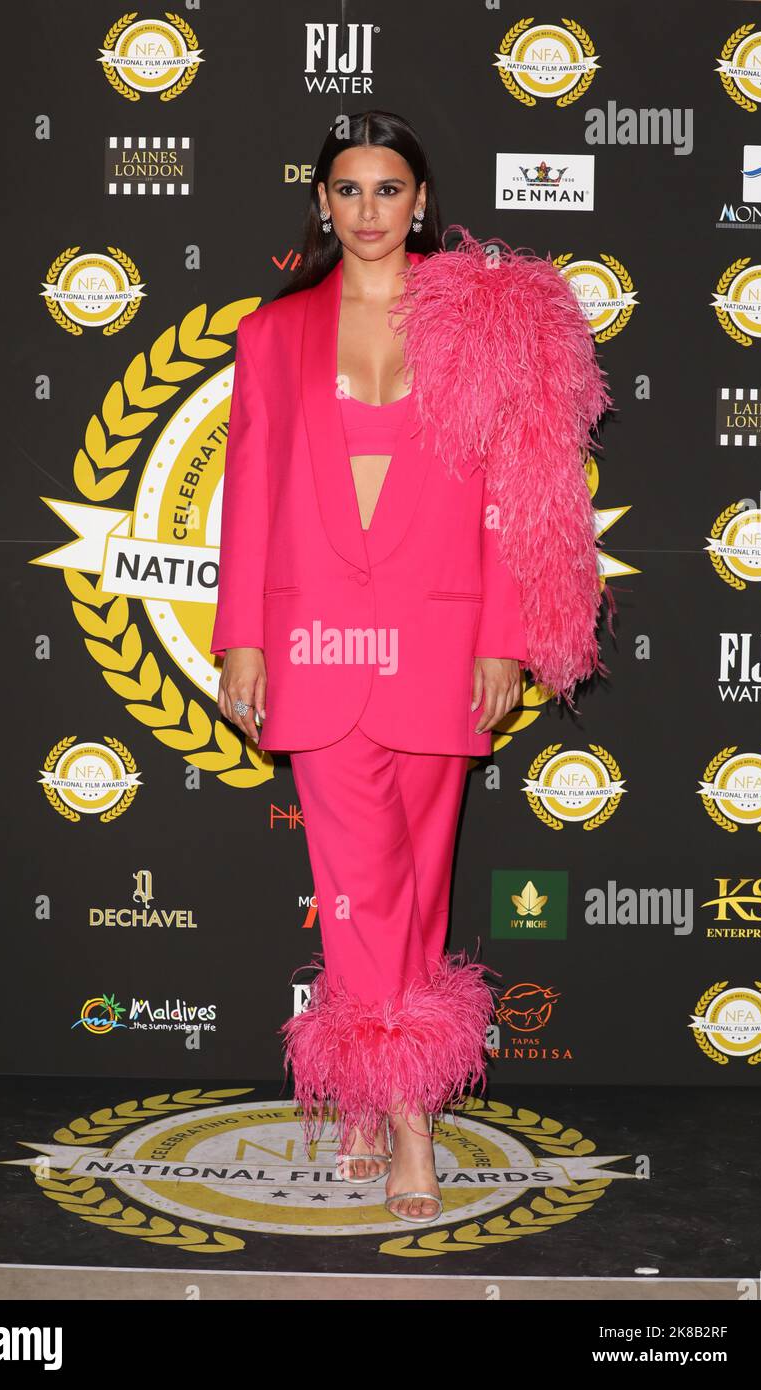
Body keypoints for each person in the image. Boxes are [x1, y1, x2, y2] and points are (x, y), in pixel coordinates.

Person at [211, 110, 613, 1223]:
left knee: (416, 886)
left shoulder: (480, 326)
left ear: (419, 202)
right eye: (349, 190)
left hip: (441, 642)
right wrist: (241, 636)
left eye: (389, 190)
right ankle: (406, 1130)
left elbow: (516, 494)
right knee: (355, 891)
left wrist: (501, 638)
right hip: (313, 643)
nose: (369, 210)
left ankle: (372, 1096)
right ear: (322, 204)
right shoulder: (272, 334)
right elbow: (249, 497)